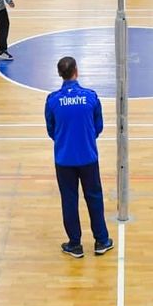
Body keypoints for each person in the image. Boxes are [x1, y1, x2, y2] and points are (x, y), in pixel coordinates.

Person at [44, 56, 112, 258]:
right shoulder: (90, 97)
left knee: (69, 200)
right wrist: (86, 138)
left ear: (60, 74)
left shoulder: (52, 100)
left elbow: (51, 130)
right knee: (94, 197)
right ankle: (101, 240)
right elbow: (98, 126)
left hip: (64, 159)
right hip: (88, 156)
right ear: (76, 71)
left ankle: (75, 244)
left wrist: (64, 140)